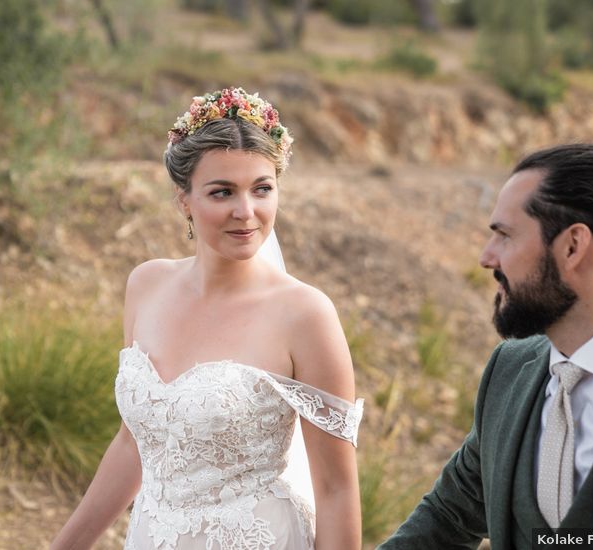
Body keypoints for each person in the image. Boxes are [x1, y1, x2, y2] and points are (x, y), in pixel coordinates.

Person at [50, 87, 363, 550]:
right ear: (185, 200)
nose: (246, 212)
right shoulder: (145, 285)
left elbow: (337, 490)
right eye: (222, 192)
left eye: (262, 189)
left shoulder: (305, 315)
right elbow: (134, 445)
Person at [378, 143, 593, 549]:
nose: (487, 258)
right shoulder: (508, 370)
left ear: (572, 247)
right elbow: (448, 516)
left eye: (504, 235)